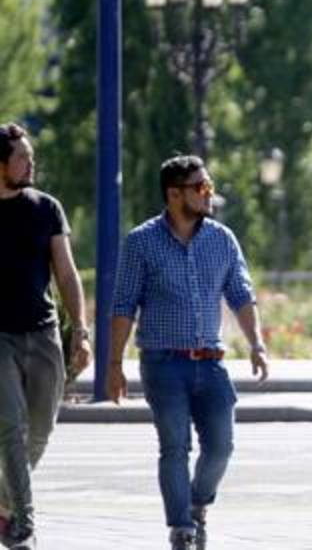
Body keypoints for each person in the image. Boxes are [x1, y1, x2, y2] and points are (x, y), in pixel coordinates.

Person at [105, 155, 270, 550]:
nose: (208, 193)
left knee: (221, 446)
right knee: (174, 446)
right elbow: (124, 305)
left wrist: (257, 344)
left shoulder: (222, 239)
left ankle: (197, 503)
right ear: (174, 193)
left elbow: (242, 296)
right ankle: (181, 527)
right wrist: (113, 365)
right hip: (163, 364)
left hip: (211, 363)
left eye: (209, 185)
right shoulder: (141, 242)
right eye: (201, 187)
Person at [0, 123, 92, 550]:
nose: (30, 162)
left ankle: (3, 505)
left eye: (31, 155)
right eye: (22, 156)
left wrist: (82, 332)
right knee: (11, 428)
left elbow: (67, 273)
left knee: (40, 431)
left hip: (44, 333)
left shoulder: (47, 208)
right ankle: (24, 525)